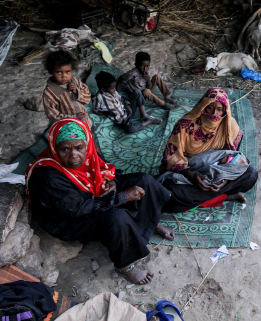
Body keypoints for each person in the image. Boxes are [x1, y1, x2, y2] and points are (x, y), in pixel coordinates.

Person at [26, 118, 175, 285]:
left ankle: (150, 221)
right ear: (55, 149)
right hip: (68, 220)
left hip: (93, 196)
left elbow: (103, 169)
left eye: (79, 148)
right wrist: (122, 197)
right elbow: (78, 209)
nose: (74, 154)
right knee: (115, 217)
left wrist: (111, 182)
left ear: (86, 144)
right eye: (65, 149)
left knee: (144, 180)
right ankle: (125, 265)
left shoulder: (89, 153)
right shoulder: (47, 175)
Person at [158, 88, 258, 211]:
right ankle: (223, 196)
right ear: (203, 106)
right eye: (210, 107)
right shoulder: (185, 125)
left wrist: (225, 179)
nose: (214, 114)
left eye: (220, 109)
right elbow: (172, 158)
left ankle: (203, 197)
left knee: (251, 174)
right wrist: (193, 176)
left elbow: (231, 159)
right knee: (169, 191)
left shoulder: (229, 127)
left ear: (225, 111)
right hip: (190, 171)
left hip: (217, 172)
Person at [91, 71, 162, 133]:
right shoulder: (98, 98)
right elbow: (96, 110)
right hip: (122, 120)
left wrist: (127, 105)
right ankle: (149, 121)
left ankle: (143, 116)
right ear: (103, 89)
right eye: (112, 88)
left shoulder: (114, 92)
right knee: (131, 129)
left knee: (137, 92)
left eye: (114, 87)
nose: (115, 89)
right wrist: (106, 112)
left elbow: (121, 98)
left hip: (128, 112)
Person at [42, 50, 92, 128]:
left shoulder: (76, 81)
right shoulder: (49, 93)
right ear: (50, 72)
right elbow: (52, 115)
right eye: (59, 72)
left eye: (68, 72)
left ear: (72, 70)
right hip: (67, 127)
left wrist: (77, 92)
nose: (64, 76)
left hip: (85, 122)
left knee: (89, 137)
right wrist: (74, 117)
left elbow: (87, 98)